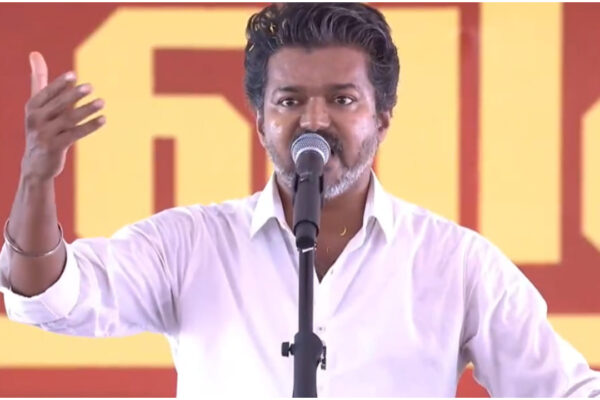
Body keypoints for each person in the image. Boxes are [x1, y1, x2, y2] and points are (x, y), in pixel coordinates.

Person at [1, 3, 599, 397]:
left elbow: (562, 390)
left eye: (342, 99)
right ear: (260, 119)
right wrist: (36, 178)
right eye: (289, 101)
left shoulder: (456, 264)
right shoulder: (189, 246)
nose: (313, 120)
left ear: (382, 117)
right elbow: (49, 297)